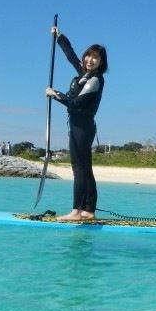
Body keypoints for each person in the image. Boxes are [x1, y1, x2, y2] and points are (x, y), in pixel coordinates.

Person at [45, 24, 108, 221]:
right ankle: (89, 211)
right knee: (85, 169)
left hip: (83, 128)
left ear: (101, 63)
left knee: (79, 169)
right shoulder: (84, 74)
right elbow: (71, 55)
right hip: (79, 127)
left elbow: (76, 103)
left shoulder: (95, 80)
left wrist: (55, 95)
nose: (90, 60)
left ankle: (77, 211)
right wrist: (59, 36)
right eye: (88, 56)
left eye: (95, 58)